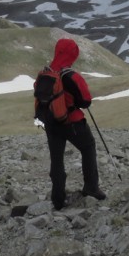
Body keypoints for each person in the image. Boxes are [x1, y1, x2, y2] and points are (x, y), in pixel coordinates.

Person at [39, 37, 106, 209]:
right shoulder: (71, 75)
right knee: (88, 146)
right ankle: (91, 188)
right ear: (72, 55)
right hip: (71, 122)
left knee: (56, 158)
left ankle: (58, 198)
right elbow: (86, 102)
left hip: (50, 123)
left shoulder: (45, 73)